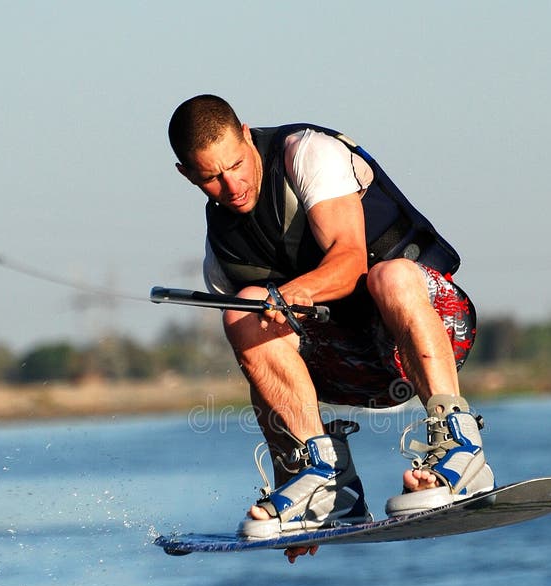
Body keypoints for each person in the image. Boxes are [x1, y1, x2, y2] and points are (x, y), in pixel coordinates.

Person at [168, 95, 494, 562]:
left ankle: (462, 450)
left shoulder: (305, 153)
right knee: (242, 310)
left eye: (236, 165)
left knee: (390, 274)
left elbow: (348, 262)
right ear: (186, 174)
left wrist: (292, 294)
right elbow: (267, 378)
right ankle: (326, 486)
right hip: (352, 369)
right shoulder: (222, 254)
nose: (231, 185)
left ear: (246, 132)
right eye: (210, 178)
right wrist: (290, 482)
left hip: (434, 329)